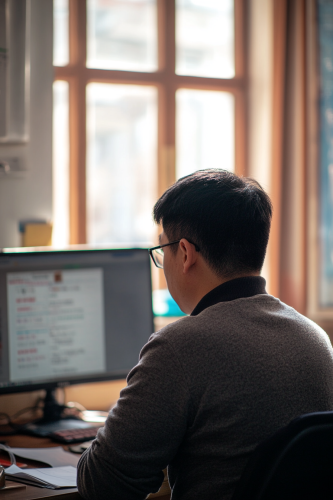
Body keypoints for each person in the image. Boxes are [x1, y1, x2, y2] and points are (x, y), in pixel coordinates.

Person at [77, 169, 333, 500]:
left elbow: (102, 485)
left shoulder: (181, 346)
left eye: (162, 250)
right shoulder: (315, 338)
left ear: (184, 253)